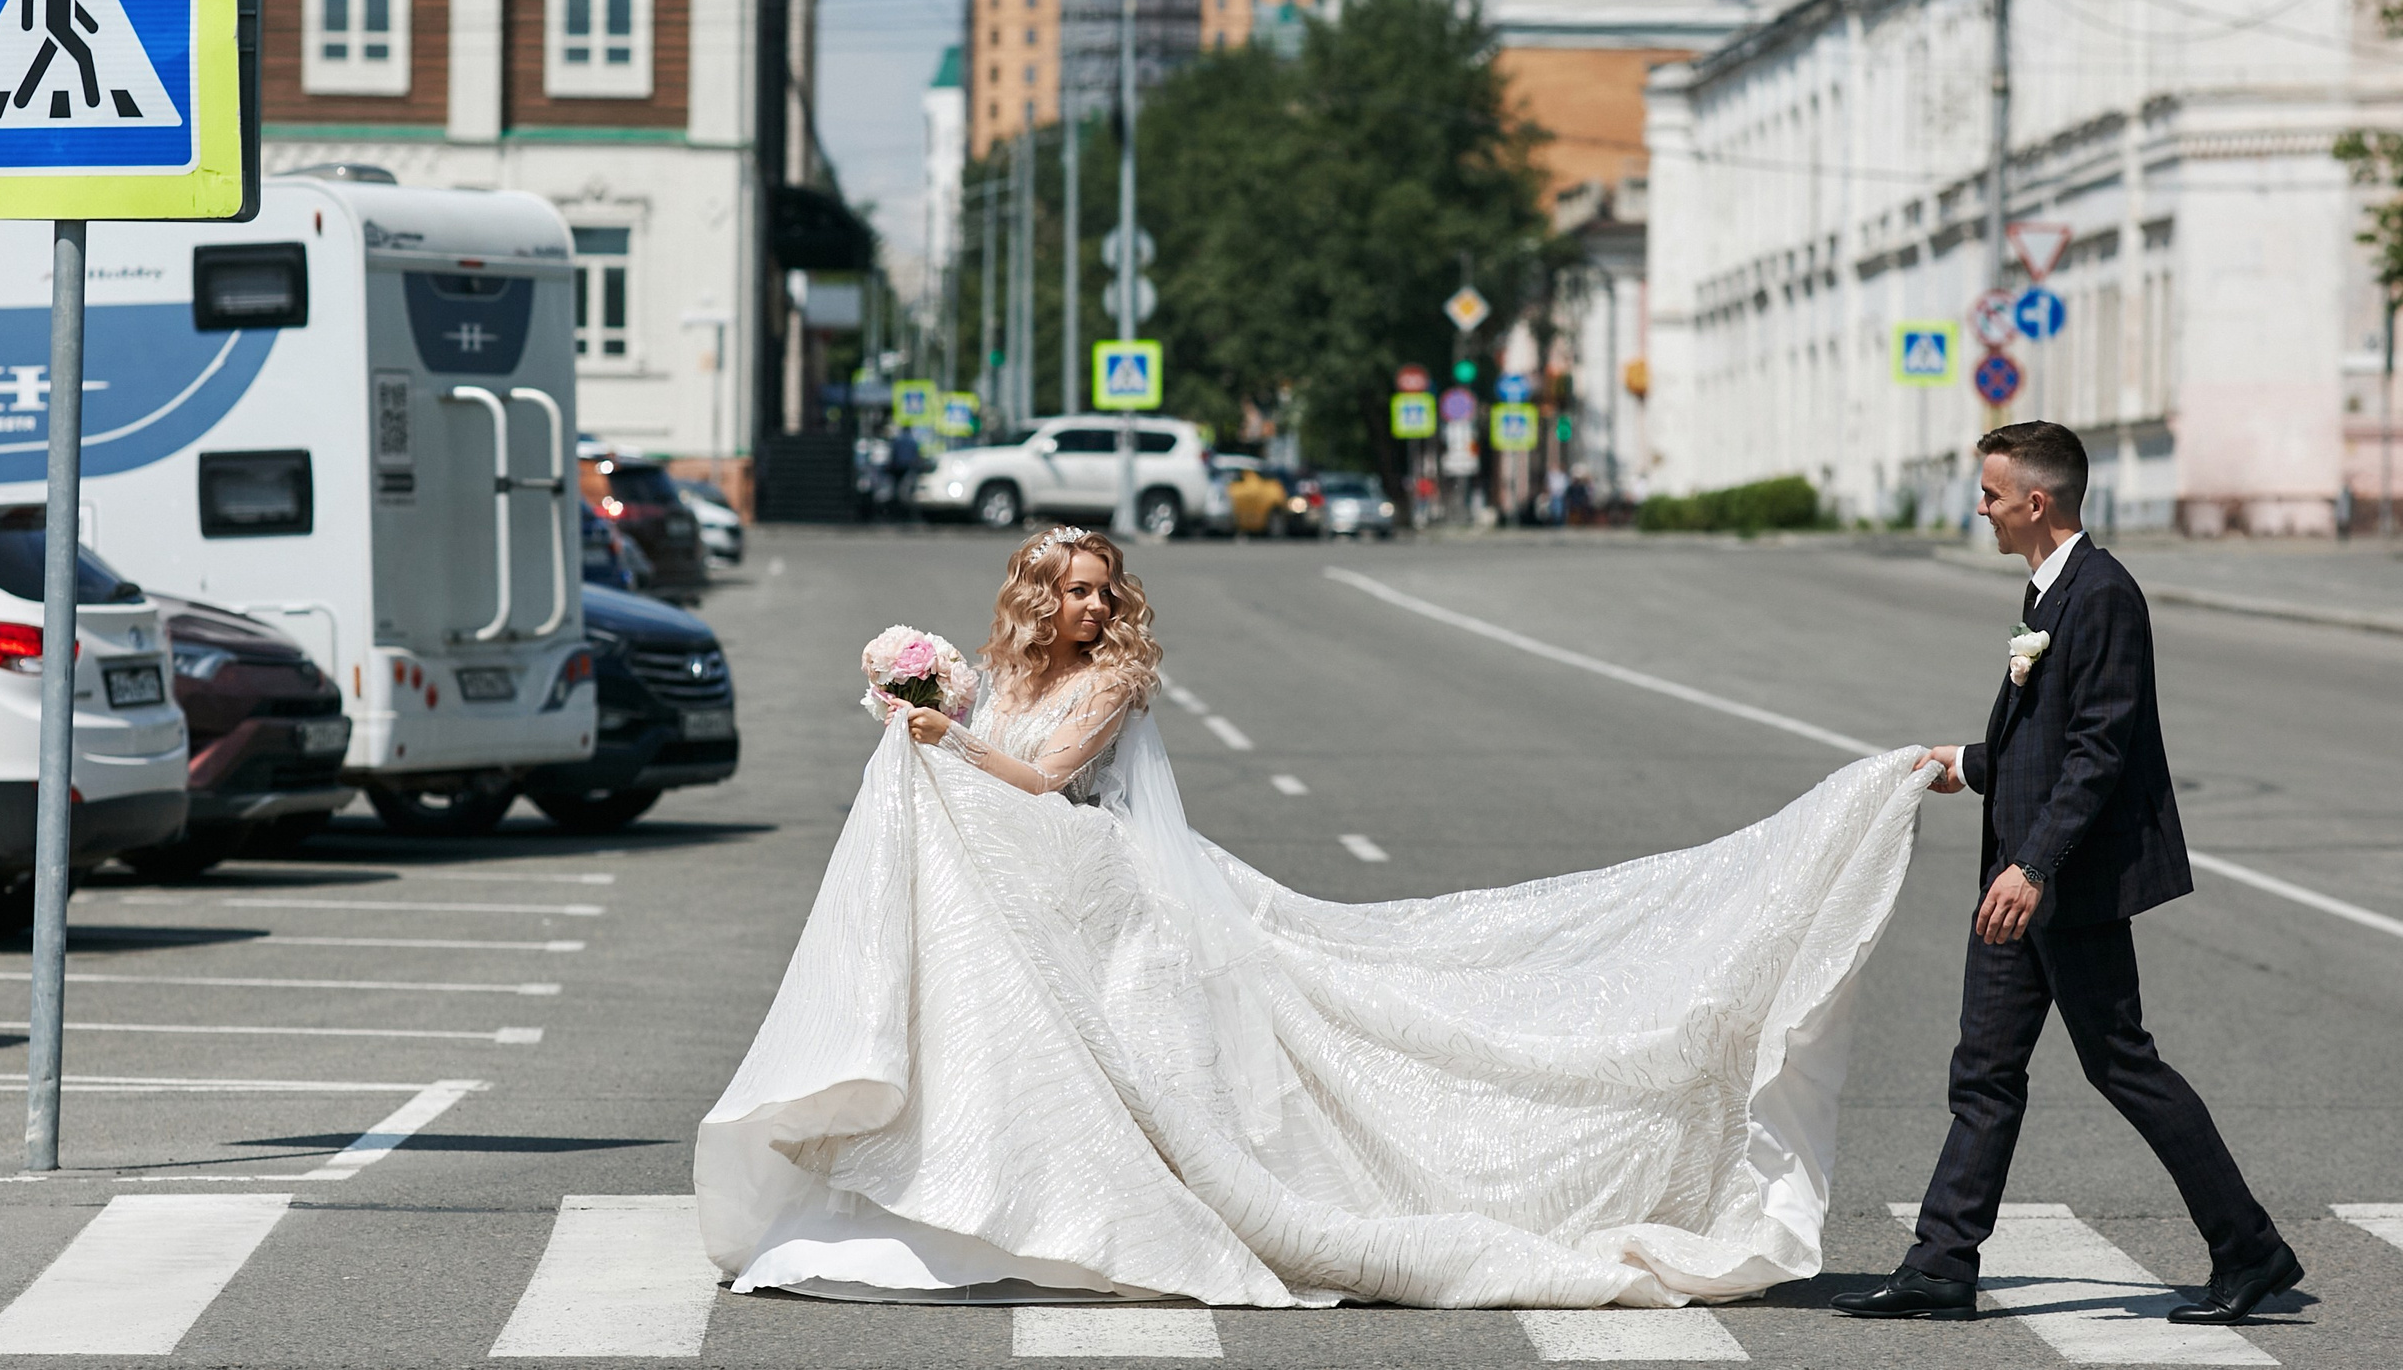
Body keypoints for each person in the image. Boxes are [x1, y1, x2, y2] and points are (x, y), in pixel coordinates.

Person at [695, 526, 1938, 1309]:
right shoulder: (1002, 675)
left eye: (1098, 592)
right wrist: (935, 715)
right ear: (1029, 600)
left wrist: (942, 742)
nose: (1086, 609)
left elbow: (1048, 782)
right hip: (1038, 889)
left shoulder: (1115, 681)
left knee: (1224, 1063)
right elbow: (993, 761)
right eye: (1067, 593)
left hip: (1113, 894)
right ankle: (951, 1189)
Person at [1835, 421, 2301, 1326]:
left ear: (2036, 502)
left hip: (2064, 885)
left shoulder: (2103, 597)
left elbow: (2099, 751)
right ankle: (1940, 1264)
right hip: (2021, 881)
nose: (1981, 508)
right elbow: (2044, 741)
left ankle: (2250, 1250)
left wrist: (2035, 867)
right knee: (1984, 1071)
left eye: (1992, 494)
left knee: (2123, 1065)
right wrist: (1967, 764)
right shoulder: (2051, 592)